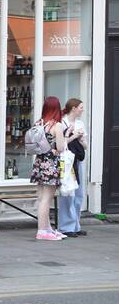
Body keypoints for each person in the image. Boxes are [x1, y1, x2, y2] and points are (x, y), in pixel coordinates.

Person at [29, 96, 67, 241]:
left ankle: (48, 228)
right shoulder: (56, 126)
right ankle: (42, 230)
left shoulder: (38, 123)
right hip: (51, 165)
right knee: (47, 199)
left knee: (41, 198)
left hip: (39, 163)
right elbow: (61, 147)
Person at [59, 98, 88, 237]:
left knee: (79, 194)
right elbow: (61, 145)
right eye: (81, 107)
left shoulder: (80, 123)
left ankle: (76, 225)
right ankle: (66, 226)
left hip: (77, 160)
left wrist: (81, 139)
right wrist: (73, 136)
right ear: (74, 108)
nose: (82, 110)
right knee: (67, 192)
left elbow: (86, 146)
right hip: (67, 162)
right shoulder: (62, 122)